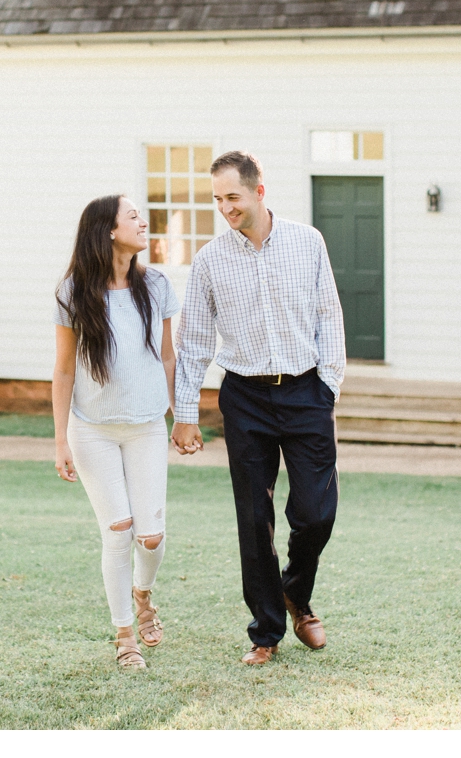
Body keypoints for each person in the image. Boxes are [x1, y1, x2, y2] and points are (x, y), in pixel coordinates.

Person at [171, 151, 345, 665]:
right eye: (217, 199)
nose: (224, 208)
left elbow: (328, 314)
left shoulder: (308, 242)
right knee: (254, 518)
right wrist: (185, 414)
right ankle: (266, 630)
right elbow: (195, 341)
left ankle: (296, 592)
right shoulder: (208, 261)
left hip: (306, 390)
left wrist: (328, 385)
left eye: (233, 197)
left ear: (259, 191)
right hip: (245, 397)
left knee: (315, 514)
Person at [53, 194, 181, 670]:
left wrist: (181, 414)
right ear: (108, 230)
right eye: (133, 217)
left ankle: (143, 595)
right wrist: (60, 439)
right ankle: (125, 635)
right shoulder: (73, 292)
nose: (143, 223)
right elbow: (64, 371)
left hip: (146, 427)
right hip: (92, 433)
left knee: (151, 537)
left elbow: (169, 356)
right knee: (117, 532)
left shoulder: (158, 285)